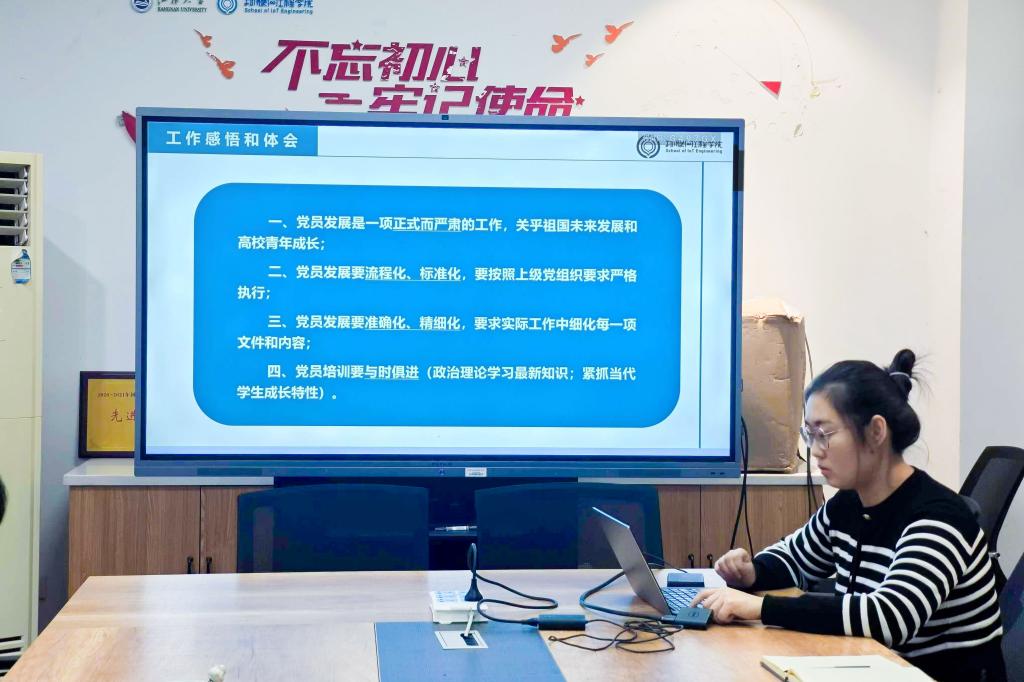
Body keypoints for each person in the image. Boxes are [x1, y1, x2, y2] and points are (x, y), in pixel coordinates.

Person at [690, 349, 1005, 682]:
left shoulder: (939, 518)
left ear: (876, 432)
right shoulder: (848, 503)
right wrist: (750, 573)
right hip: (874, 668)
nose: (815, 451)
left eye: (824, 434)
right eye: (809, 435)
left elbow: (890, 617)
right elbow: (795, 558)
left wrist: (760, 607)